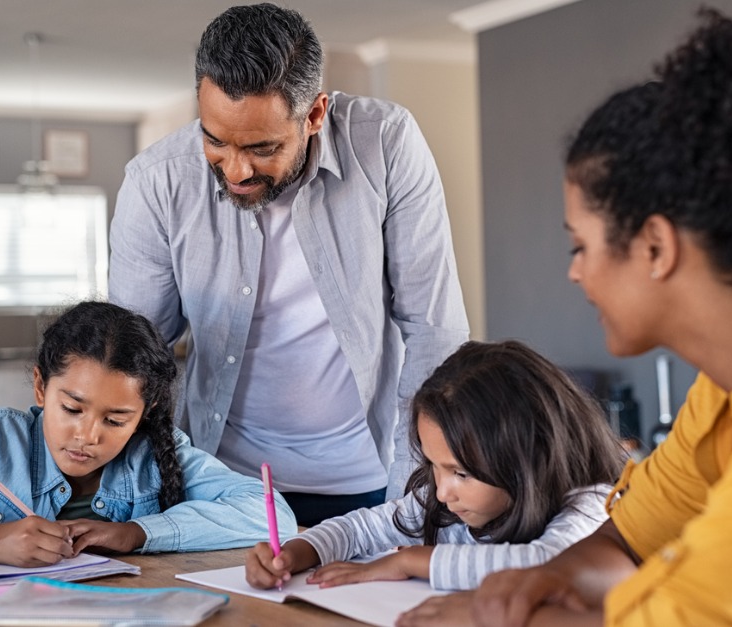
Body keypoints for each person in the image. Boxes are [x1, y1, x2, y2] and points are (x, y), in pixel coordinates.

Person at [398, 1, 732, 625]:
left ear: (655, 246)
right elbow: (629, 538)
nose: (574, 271)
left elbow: (691, 615)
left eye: (580, 245)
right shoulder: (725, 390)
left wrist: (493, 620)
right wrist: (540, 584)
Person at [108, 3, 469, 526]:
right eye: (214, 140)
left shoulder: (386, 143)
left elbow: (435, 329)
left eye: (261, 147)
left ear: (315, 114)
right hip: (222, 484)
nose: (235, 169)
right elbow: (131, 355)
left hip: (374, 478)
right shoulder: (156, 180)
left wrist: (414, 493)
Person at [0, 301, 297, 566]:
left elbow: (270, 514)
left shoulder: (158, 453)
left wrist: (138, 532)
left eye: (115, 419)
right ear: (42, 387)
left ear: (145, 412)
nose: (87, 435)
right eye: (72, 408)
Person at [245, 340, 625, 592]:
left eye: (461, 472)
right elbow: (361, 528)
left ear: (531, 457)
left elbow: (551, 564)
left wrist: (413, 560)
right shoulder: (444, 500)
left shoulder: (592, 504)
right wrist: (297, 553)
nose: (442, 492)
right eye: (433, 465)